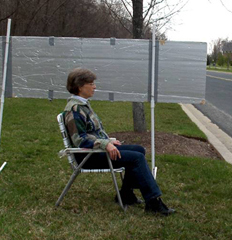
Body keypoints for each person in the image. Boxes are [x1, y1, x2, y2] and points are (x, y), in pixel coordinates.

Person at [63, 68, 175, 216]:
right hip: (88, 157)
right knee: (137, 158)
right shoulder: (75, 109)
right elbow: (80, 140)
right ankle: (153, 201)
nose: (94, 87)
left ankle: (125, 195)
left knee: (139, 149)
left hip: (96, 151)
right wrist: (105, 144)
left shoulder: (82, 105)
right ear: (79, 86)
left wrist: (108, 141)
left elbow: (91, 133)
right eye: (91, 84)